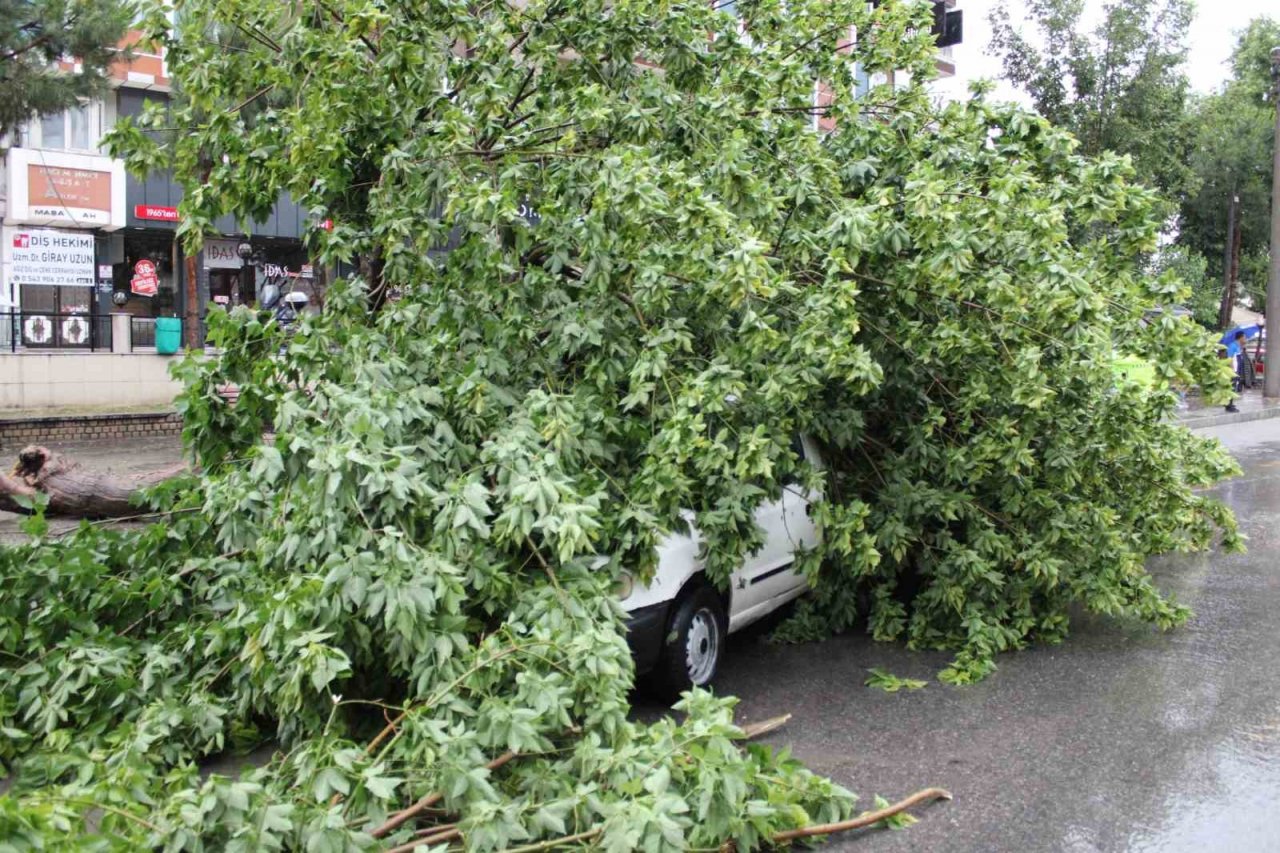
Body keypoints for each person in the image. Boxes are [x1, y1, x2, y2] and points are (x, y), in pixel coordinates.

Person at [1224, 330, 1249, 413]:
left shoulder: (1238, 346)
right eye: (1244, 337)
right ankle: (1229, 406)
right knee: (1231, 387)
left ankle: (1230, 403)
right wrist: (1232, 370)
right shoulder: (1232, 346)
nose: (1245, 339)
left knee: (1234, 387)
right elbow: (1230, 358)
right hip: (1233, 370)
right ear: (1241, 337)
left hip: (1237, 370)